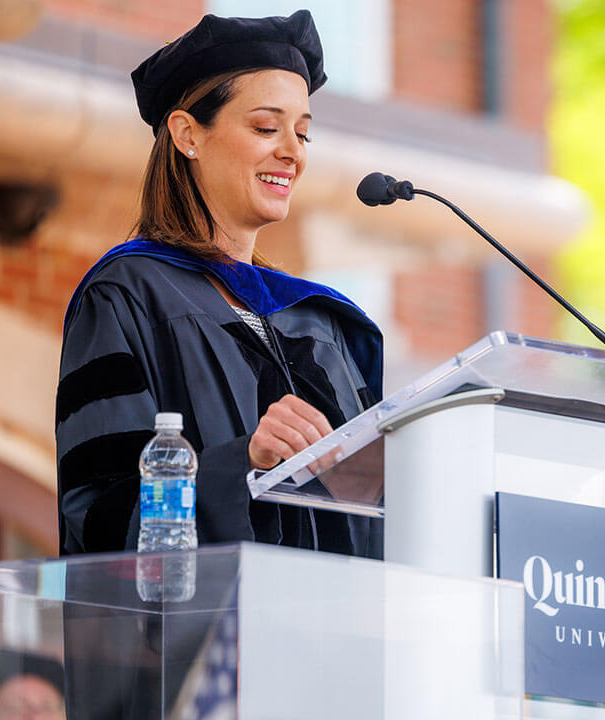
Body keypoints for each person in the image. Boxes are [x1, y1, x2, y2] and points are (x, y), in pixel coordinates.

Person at [55, 11, 383, 558]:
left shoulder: (321, 323)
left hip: (334, 632)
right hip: (201, 635)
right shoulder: (128, 296)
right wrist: (242, 463)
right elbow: (97, 519)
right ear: (188, 135)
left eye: (302, 132)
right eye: (264, 127)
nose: (293, 151)